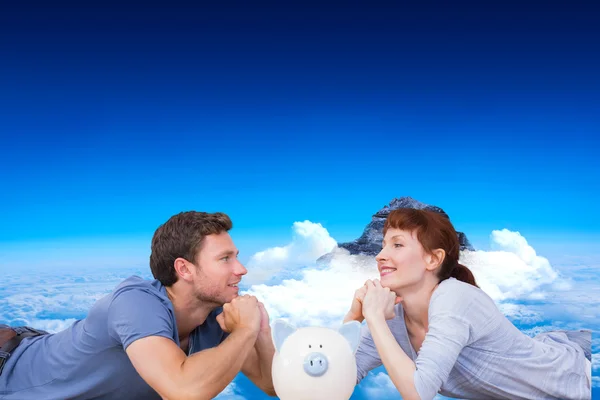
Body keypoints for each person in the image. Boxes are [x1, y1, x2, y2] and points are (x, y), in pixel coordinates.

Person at [0, 211, 277, 399]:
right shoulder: (137, 302)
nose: (242, 269)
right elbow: (182, 389)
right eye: (225, 259)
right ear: (185, 269)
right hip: (8, 367)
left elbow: (271, 384)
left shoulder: (219, 317)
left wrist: (259, 331)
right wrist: (245, 331)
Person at [344, 208, 592, 400]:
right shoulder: (395, 316)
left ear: (433, 259)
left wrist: (374, 317)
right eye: (383, 245)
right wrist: (354, 318)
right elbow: (334, 378)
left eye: (397, 244)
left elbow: (418, 393)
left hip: (578, 379)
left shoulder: (454, 298)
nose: (379, 255)